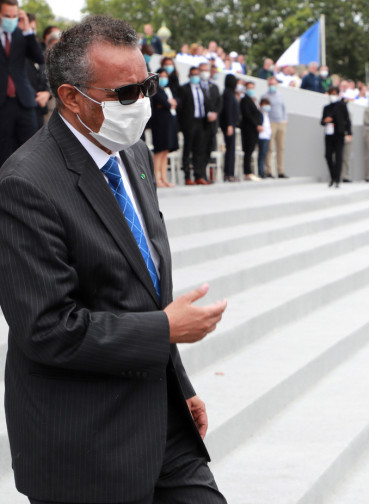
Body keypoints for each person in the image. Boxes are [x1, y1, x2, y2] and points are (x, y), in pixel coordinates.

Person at [0, 16, 228, 503]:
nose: (141, 103)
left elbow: (145, 290)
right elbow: (47, 329)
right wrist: (165, 330)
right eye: (125, 94)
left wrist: (178, 384)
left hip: (162, 423)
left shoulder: (133, 152)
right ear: (70, 97)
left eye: (147, 85)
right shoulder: (25, 184)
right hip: (86, 444)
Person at [0, 0, 44, 167]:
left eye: (14, 16)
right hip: (2, 104)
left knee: (31, 149)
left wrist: (27, 29)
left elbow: (39, 58)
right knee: (3, 152)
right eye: (6, 16)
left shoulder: (22, 35)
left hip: (24, 101)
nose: (10, 19)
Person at [177, 66, 212, 185]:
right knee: (187, 149)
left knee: (199, 150)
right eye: (193, 74)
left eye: (197, 74)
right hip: (189, 122)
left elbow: (206, 104)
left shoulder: (202, 88)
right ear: (189, 76)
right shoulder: (184, 89)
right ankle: (187, 176)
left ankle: (199, 175)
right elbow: (181, 108)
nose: (195, 77)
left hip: (201, 121)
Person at [149, 67, 179, 187]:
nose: (164, 79)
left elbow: (175, 102)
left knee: (166, 151)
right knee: (159, 151)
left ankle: (164, 177)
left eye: (166, 76)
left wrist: (170, 103)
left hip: (169, 123)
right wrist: (168, 104)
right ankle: (157, 177)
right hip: (159, 124)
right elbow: (165, 103)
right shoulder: (155, 90)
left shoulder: (168, 89)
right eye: (162, 77)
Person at [321, 86, 351, 187]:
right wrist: (325, 120)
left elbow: (347, 120)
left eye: (334, 94)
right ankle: (333, 176)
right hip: (329, 135)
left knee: (339, 156)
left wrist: (349, 133)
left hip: (339, 134)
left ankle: (337, 179)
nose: (332, 96)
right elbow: (322, 121)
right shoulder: (326, 108)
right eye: (331, 94)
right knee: (328, 155)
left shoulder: (341, 106)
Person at [261, 75, 289, 178]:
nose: (272, 84)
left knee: (281, 148)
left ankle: (280, 170)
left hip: (281, 122)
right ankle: (269, 170)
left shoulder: (280, 95)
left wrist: (285, 119)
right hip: (271, 122)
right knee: (270, 148)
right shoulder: (265, 96)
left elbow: (283, 108)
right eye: (271, 83)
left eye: (274, 83)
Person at [239, 80, 263, 181]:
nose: (251, 90)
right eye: (249, 88)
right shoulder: (245, 100)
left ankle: (250, 171)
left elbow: (258, 113)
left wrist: (260, 124)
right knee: (248, 151)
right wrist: (256, 124)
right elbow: (248, 115)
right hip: (249, 129)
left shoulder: (254, 100)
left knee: (251, 150)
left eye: (252, 88)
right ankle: (247, 172)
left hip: (255, 129)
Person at [219, 73, 240, 182]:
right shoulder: (228, 93)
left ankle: (230, 172)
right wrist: (229, 124)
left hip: (231, 124)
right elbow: (228, 110)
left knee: (231, 149)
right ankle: (229, 173)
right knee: (230, 149)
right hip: (229, 125)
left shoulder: (230, 93)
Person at [257, 97, 272, 178]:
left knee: (265, 154)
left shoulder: (266, 115)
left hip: (267, 136)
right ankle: (261, 171)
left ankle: (264, 170)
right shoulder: (260, 113)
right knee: (261, 154)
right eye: (264, 105)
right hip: (262, 136)